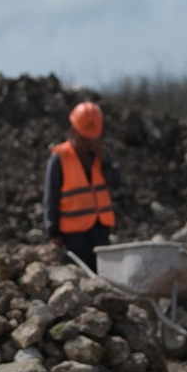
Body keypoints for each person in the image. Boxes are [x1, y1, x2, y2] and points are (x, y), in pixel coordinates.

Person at [43, 101, 120, 273]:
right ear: (72, 132)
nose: (89, 144)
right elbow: (51, 196)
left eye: (93, 139)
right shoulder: (59, 158)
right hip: (74, 235)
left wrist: (104, 161)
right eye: (84, 139)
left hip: (100, 231)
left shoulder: (101, 155)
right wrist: (53, 233)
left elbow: (116, 181)